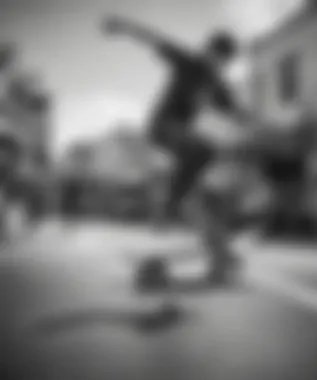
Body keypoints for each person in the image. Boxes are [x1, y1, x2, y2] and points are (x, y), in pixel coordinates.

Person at [103, 16, 249, 283]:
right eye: (214, 57)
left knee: (204, 183)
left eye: (222, 62)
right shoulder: (189, 63)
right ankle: (171, 203)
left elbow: (237, 115)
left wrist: (241, 118)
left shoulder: (221, 88)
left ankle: (219, 254)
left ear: (226, 62)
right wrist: (123, 26)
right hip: (163, 126)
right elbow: (154, 38)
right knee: (203, 147)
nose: (215, 65)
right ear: (207, 51)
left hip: (186, 141)